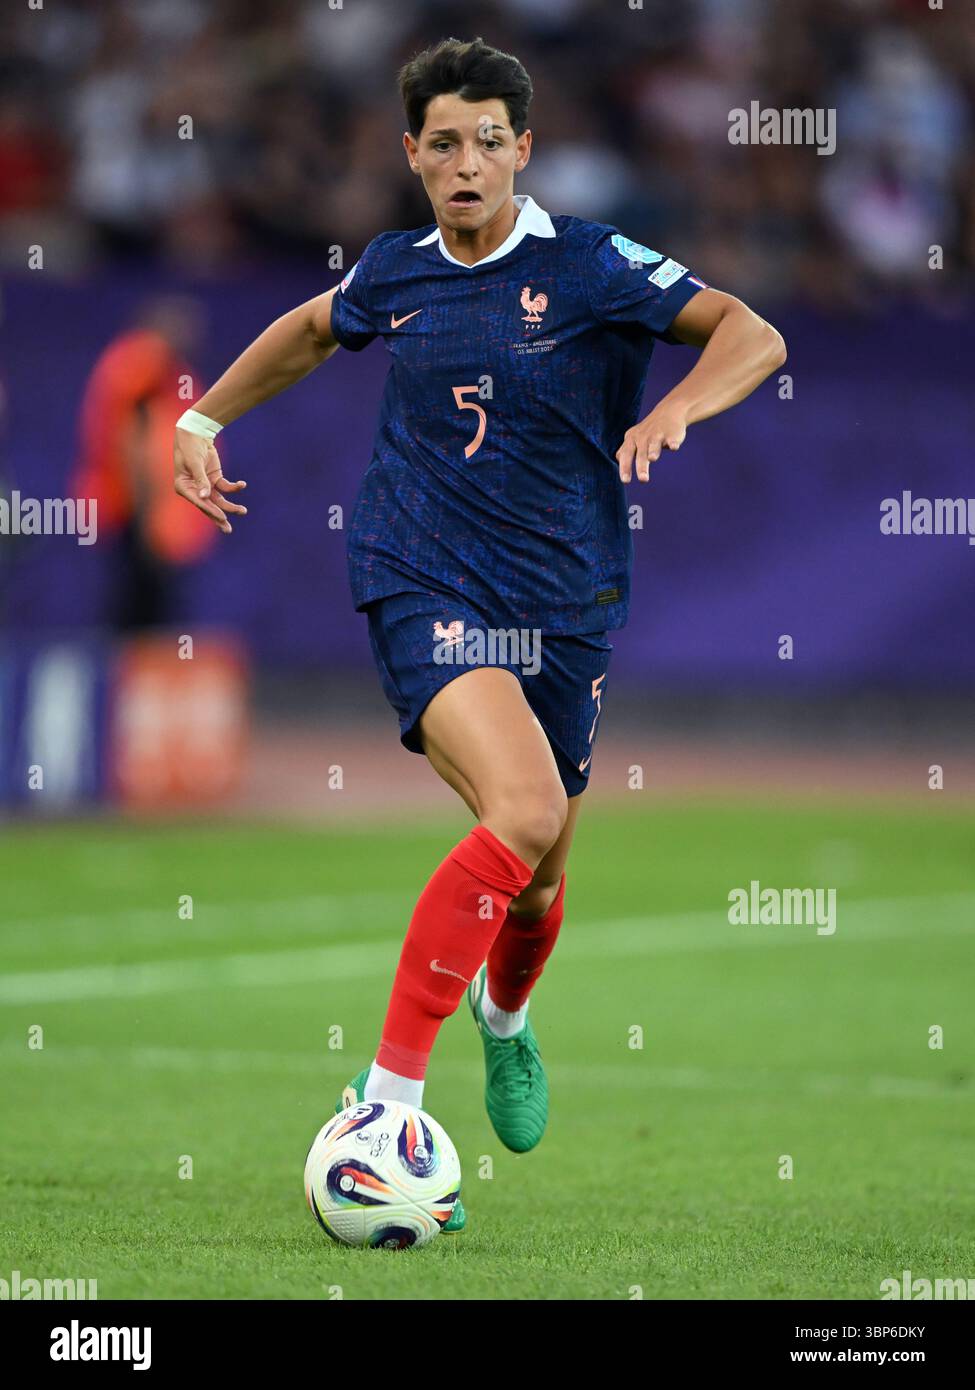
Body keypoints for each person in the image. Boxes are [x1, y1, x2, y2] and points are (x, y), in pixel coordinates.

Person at [173, 37, 786, 1236]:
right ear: (411, 154)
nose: (466, 164)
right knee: (525, 812)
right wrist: (200, 415)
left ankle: (504, 1022)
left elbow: (752, 334)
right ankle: (386, 1098)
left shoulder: (596, 264)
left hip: (566, 602)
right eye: (442, 144)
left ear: (525, 151)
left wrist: (674, 406)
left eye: (488, 143)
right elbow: (306, 330)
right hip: (420, 578)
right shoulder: (396, 272)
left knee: (545, 867)